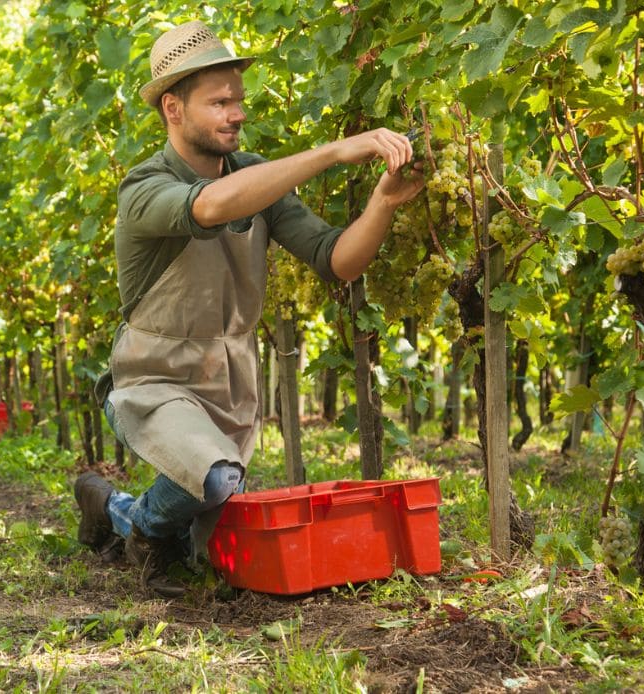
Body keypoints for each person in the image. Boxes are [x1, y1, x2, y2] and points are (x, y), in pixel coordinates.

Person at [75, 21, 425, 597]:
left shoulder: (255, 176)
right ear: (173, 108)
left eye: (238, 100)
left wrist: (383, 203)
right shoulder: (143, 186)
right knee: (212, 481)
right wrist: (334, 151)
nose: (236, 113)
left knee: (212, 544)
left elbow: (338, 259)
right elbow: (209, 207)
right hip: (152, 380)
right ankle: (141, 534)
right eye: (218, 102)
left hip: (229, 386)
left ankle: (110, 508)